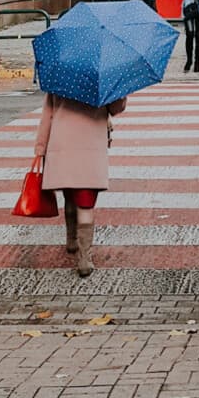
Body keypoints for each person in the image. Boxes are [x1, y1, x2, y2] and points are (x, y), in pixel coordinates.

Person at [32, 91, 128, 276]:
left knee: (69, 193)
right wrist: (120, 94)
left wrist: (40, 148)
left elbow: (47, 115)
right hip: (90, 150)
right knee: (85, 204)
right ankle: (84, 259)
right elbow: (116, 109)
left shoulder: (59, 78)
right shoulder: (102, 81)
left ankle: (71, 240)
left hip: (62, 145)